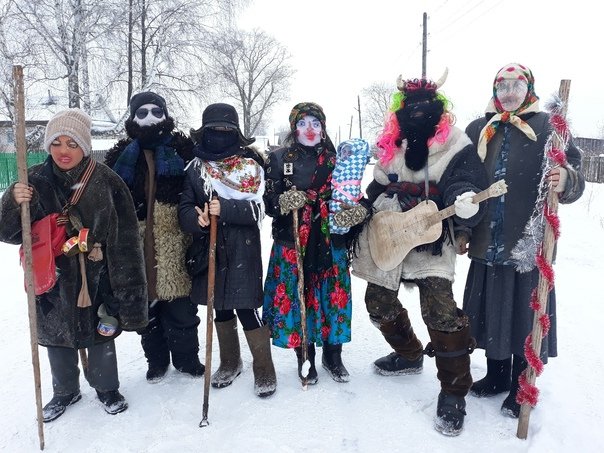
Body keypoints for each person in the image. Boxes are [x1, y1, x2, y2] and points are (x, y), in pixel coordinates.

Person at [351, 75, 488, 436]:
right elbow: (378, 184)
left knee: (440, 311)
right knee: (377, 303)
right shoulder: (392, 144)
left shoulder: (456, 144)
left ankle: (454, 391)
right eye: (410, 105)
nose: (418, 111)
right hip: (389, 232)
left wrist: (463, 199)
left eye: (425, 105)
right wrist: (361, 207)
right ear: (401, 110)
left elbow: (465, 180)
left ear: (438, 108)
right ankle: (409, 354)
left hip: (432, 236)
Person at [0, 108, 148, 422]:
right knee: (57, 336)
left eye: (72, 143)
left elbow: (125, 242)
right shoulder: (33, 180)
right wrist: (13, 201)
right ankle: (65, 391)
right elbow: (9, 234)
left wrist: (130, 296)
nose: (63, 150)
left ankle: (107, 388)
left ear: (84, 146)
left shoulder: (106, 180)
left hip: (97, 276)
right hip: (51, 279)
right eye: (56, 143)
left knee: (100, 333)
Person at [461, 63, 585, 418]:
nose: (509, 93)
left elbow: (574, 171)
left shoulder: (550, 127)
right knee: (491, 310)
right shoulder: (479, 128)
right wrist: (463, 228)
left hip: (527, 240)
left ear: (529, 89)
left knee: (520, 314)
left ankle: (519, 382)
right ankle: (496, 375)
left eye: (517, 85)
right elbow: (464, 179)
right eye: (502, 86)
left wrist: (567, 179)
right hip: (486, 237)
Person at [262, 102, 367, 386]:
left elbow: (353, 194)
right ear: (293, 128)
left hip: (329, 237)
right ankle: (304, 356)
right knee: (299, 296)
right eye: (303, 123)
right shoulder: (279, 159)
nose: (309, 129)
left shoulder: (338, 159)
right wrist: (283, 201)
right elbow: (268, 202)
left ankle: (333, 355)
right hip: (293, 241)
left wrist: (358, 211)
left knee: (333, 296)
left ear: (323, 128)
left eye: (315, 123)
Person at [178, 103, 276, 397]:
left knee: (247, 309)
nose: (220, 136)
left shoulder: (251, 167)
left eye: (226, 131)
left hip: (243, 250)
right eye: (214, 131)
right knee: (219, 307)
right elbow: (184, 206)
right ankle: (230, 362)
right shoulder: (196, 169)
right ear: (204, 133)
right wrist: (196, 218)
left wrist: (227, 209)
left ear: (236, 134)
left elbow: (260, 210)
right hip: (210, 249)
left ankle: (264, 367)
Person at [105, 92, 204, 382]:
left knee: (181, 308)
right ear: (133, 118)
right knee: (147, 310)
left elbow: (200, 188)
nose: (150, 118)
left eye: (156, 111)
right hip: (136, 242)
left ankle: (186, 359)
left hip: (176, 240)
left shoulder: (184, 151)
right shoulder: (120, 156)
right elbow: (108, 198)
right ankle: (157, 361)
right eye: (142, 112)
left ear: (165, 115)